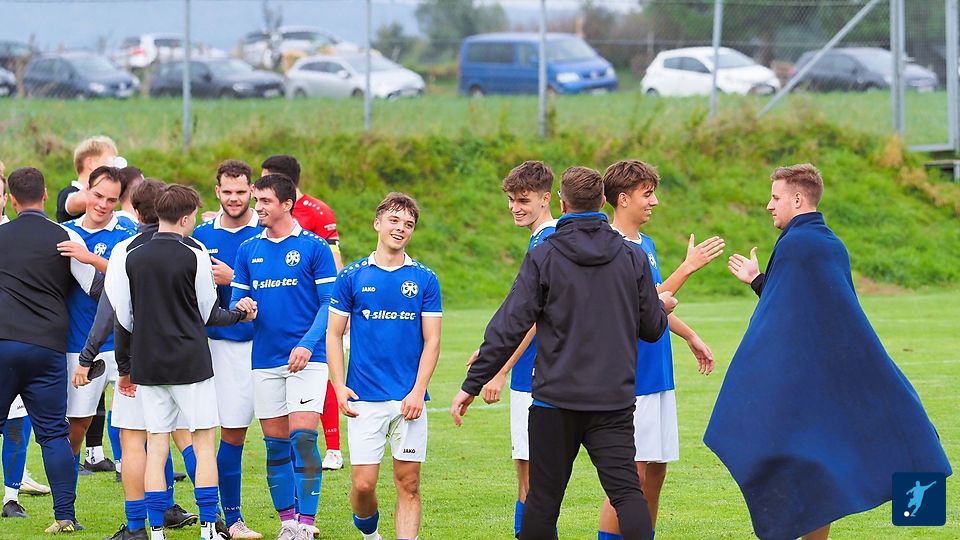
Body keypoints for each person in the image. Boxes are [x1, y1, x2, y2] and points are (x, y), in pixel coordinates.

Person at [705, 163, 952, 540]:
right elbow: (804, 302)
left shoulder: (798, 244)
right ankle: (913, 513)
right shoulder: (829, 242)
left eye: (775, 198)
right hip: (832, 369)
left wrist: (751, 373)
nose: (769, 205)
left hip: (810, 377)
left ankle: (918, 514)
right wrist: (758, 280)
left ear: (797, 199)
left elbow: (785, 315)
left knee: (805, 455)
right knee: (834, 457)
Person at [452, 166, 675, 540]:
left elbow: (510, 324)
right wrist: (659, 307)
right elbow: (652, 328)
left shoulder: (545, 255)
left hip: (555, 400)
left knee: (543, 500)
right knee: (626, 494)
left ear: (562, 203)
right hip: (613, 401)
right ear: (602, 201)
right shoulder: (631, 256)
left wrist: (472, 384)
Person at [106, 184, 256, 540]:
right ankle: (208, 528)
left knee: (156, 445)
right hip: (190, 362)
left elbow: (123, 319)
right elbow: (210, 314)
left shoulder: (131, 255)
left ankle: (156, 531)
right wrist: (241, 313)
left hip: (149, 364)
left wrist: (125, 368)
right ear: (187, 218)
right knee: (203, 444)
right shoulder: (195, 254)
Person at [597, 159, 722, 540]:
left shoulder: (645, 244)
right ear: (623, 199)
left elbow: (655, 304)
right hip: (630, 378)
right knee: (629, 479)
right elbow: (636, 304)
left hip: (657, 372)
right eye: (647, 194)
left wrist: (689, 335)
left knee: (655, 473)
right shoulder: (609, 246)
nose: (654, 201)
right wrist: (687, 268)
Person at [78, 179, 203, 540]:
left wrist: (89, 357)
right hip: (184, 360)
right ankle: (212, 518)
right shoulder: (191, 246)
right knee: (189, 439)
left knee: (134, 441)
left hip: (140, 362)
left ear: (134, 210)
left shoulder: (125, 250)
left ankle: (136, 528)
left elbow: (112, 312)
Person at [327, 192, 442, 540]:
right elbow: (334, 334)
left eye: (408, 224)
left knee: (409, 482)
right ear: (377, 223)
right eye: (394, 220)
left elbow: (432, 340)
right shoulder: (352, 276)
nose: (401, 228)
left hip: (409, 398)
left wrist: (418, 391)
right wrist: (338, 385)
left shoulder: (425, 278)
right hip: (364, 397)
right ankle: (369, 532)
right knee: (363, 486)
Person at [230, 173, 337, 540]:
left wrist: (307, 344)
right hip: (265, 359)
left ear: (287, 204)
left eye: (265, 201)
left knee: (303, 439)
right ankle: (287, 523)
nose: (257, 207)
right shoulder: (248, 249)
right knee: (275, 446)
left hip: (309, 358)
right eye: (256, 200)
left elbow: (329, 303)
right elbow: (237, 301)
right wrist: (243, 307)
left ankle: (307, 524)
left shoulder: (314, 247)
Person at [0, 167, 98, 533]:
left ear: (11, 200)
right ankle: (65, 516)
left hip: (4, 343)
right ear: (44, 195)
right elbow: (95, 287)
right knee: (54, 435)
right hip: (48, 347)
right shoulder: (66, 236)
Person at [465, 161, 556, 538]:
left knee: (531, 472)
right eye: (511, 200)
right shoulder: (541, 239)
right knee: (528, 467)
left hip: (534, 373)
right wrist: (490, 351)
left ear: (545, 198)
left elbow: (533, 317)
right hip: (538, 371)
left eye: (523, 200)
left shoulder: (547, 240)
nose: (515, 207)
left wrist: (500, 370)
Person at [192, 159, 264, 540]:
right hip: (219, 347)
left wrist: (233, 278)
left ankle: (296, 520)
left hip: (265, 346)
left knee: (281, 436)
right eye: (227, 192)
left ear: (252, 191)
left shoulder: (266, 232)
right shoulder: (202, 236)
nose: (234, 198)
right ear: (217, 192)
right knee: (221, 434)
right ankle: (228, 518)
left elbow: (281, 291)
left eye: (241, 191)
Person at [260, 154, 344, 473]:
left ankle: (333, 448)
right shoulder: (261, 221)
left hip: (315, 313)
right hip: (275, 324)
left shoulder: (318, 212)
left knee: (324, 377)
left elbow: (334, 257)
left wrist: (340, 306)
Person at [61, 166, 137, 478]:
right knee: (77, 422)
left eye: (111, 199)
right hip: (79, 342)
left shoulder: (127, 234)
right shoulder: (65, 232)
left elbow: (132, 278)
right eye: (98, 195)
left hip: (123, 341)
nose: (103, 204)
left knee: (131, 419)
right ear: (86, 191)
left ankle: (132, 479)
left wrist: (90, 258)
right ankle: (65, 487)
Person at [0, 166, 52, 520]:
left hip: (12, 341)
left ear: (7, 198)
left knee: (17, 422)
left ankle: (11, 496)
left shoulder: (15, 234)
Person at [56, 136, 123, 223]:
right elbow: (75, 203)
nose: (113, 167)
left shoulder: (106, 197)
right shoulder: (67, 193)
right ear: (91, 163)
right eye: (110, 160)